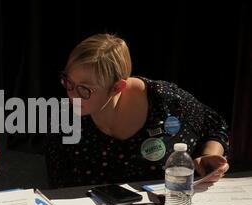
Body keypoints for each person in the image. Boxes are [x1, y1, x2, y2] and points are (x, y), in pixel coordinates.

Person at [45, 33, 229, 188]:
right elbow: (59, 189)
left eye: (84, 89)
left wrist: (208, 155)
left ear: (117, 87)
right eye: (68, 82)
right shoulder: (63, 120)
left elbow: (212, 123)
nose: (71, 95)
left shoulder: (164, 99)